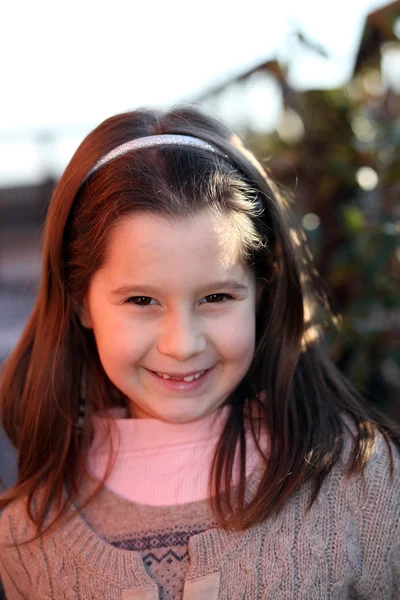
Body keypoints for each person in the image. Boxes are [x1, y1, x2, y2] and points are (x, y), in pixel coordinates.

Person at [0, 105, 399, 600]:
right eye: (141, 301)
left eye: (216, 298)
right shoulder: (23, 538)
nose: (182, 344)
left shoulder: (358, 480)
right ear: (80, 301)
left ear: (262, 292)